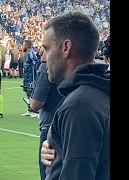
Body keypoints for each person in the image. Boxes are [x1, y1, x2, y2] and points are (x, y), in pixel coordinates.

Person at [40, 11, 110, 180]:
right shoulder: (99, 91)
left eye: (46, 49)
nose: (43, 58)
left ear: (66, 47)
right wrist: (59, 146)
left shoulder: (79, 105)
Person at [29, 63, 64, 180]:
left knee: (49, 174)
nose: (43, 57)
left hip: (50, 128)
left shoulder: (48, 66)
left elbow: (35, 104)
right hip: (73, 127)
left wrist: (32, 96)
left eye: (46, 49)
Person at [21, 39, 39, 118]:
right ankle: (29, 109)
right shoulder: (25, 54)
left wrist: (36, 74)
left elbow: (36, 63)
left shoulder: (31, 54)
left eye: (24, 44)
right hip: (26, 76)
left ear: (27, 45)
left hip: (31, 77)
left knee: (32, 92)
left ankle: (35, 110)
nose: (23, 46)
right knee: (27, 92)